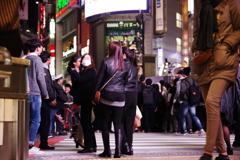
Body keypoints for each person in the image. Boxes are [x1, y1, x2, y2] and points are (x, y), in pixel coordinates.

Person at [192, 1, 240, 160]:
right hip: (204, 60)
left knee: (212, 101)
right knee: (211, 107)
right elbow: (196, 31)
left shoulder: (232, 3)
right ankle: (223, 153)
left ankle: (208, 151)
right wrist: (195, 49)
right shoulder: (200, 3)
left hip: (224, 60)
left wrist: (227, 44)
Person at [94, 42, 128, 158]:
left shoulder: (105, 61)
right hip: (120, 96)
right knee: (118, 124)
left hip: (107, 95)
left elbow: (99, 79)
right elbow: (126, 82)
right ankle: (118, 152)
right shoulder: (125, 64)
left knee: (105, 122)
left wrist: (96, 92)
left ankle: (107, 151)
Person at [25, 38, 49, 150]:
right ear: (38, 48)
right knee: (36, 120)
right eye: (41, 47)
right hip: (35, 92)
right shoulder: (37, 60)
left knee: (26, 119)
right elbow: (40, 78)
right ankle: (30, 143)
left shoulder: (25, 58)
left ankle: (24, 141)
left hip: (26, 92)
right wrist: (45, 93)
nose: (42, 49)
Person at [70, 54, 97, 153]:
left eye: (87, 58)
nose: (85, 60)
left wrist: (74, 71)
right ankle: (91, 145)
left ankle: (89, 146)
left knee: (86, 123)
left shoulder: (90, 71)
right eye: (83, 58)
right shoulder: (85, 71)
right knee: (86, 123)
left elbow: (80, 80)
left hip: (87, 100)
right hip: (85, 100)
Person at [121, 47, 138, 155]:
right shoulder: (134, 67)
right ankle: (129, 147)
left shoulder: (121, 66)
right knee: (129, 123)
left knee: (119, 121)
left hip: (124, 94)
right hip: (134, 95)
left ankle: (124, 145)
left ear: (123, 55)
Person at [178, 67, 205, 136]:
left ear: (183, 74)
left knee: (183, 116)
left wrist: (180, 98)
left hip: (185, 100)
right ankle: (201, 129)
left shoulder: (183, 81)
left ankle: (183, 131)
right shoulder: (193, 80)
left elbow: (182, 91)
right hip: (193, 100)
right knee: (193, 115)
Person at [39, 51, 56, 150]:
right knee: (44, 121)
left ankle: (43, 141)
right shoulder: (44, 69)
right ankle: (43, 142)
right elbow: (47, 85)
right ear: (48, 59)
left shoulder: (44, 69)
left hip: (43, 98)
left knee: (42, 120)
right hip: (44, 99)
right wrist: (51, 97)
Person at [67, 55, 85, 149]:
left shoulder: (81, 71)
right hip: (77, 98)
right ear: (74, 63)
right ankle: (78, 137)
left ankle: (77, 136)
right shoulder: (73, 72)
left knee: (86, 118)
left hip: (83, 96)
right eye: (78, 61)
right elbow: (79, 82)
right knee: (80, 118)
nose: (80, 62)